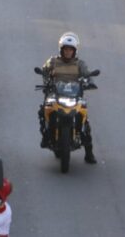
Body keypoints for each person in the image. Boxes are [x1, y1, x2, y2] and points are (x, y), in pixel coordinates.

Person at [39, 32, 96, 163]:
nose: (68, 52)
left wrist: (89, 82)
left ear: (75, 51)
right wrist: (46, 82)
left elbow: (87, 75)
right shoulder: (53, 61)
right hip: (56, 95)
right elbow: (44, 71)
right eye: (66, 49)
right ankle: (46, 136)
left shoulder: (80, 64)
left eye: (70, 50)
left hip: (74, 96)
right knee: (44, 112)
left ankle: (89, 153)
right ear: (61, 49)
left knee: (84, 123)